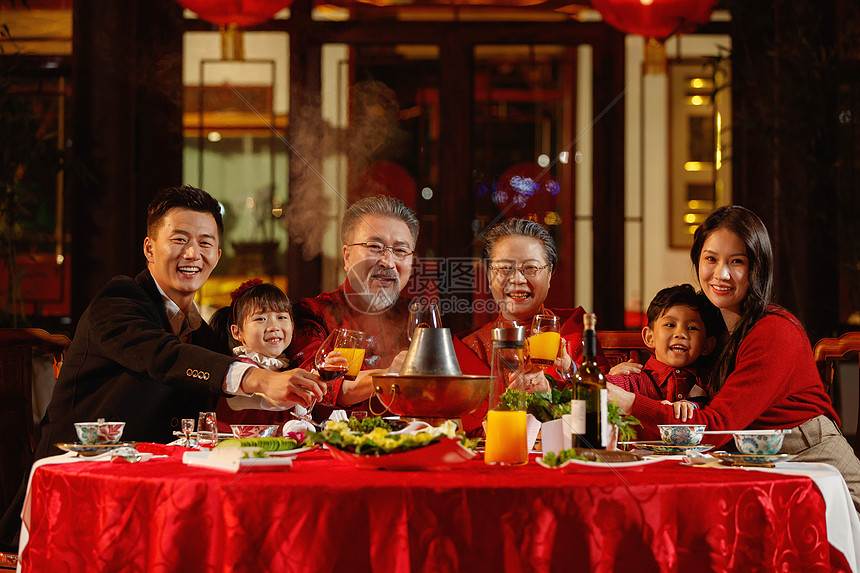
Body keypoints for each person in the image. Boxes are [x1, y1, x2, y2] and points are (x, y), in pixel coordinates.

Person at [35, 185, 326, 453]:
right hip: (77, 470)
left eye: (205, 243)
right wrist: (258, 379)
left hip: (156, 476)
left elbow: (214, 395)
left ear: (218, 254)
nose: (193, 254)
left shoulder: (203, 336)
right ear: (149, 248)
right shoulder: (119, 301)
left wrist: (277, 394)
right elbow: (163, 356)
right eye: (179, 240)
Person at [607, 205, 860, 511]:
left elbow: (714, 427)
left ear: (757, 267)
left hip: (818, 467)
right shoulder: (713, 328)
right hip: (757, 466)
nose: (721, 274)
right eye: (711, 259)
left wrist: (628, 402)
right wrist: (628, 375)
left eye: (736, 262)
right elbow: (681, 384)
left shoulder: (773, 332)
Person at [455, 218, 609, 434]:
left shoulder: (575, 331)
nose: (517, 279)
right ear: (489, 275)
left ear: (549, 274)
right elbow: (464, 431)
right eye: (505, 268)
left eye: (530, 268)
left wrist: (553, 388)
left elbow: (605, 412)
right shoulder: (470, 347)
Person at [287, 195, 417, 411]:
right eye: (375, 247)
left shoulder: (417, 316)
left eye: (401, 251)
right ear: (346, 256)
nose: (389, 262)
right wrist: (389, 374)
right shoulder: (312, 313)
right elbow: (318, 386)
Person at [606, 284, 721, 439]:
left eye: (692, 328)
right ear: (649, 337)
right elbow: (587, 390)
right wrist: (570, 369)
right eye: (670, 325)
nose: (680, 334)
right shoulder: (632, 380)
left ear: (707, 345)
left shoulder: (714, 384)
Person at [214, 279, 309, 430]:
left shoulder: (287, 366)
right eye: (260, 319)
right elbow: (273, 401)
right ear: (237, 332)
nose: (274, 327)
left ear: (291, 326)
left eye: (281, 317)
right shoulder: (238, 370)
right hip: (237, 450)